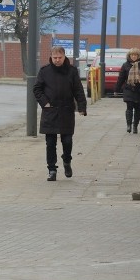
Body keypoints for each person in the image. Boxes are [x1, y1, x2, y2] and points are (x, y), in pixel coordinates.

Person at [33, 46, 87, 182]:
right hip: (50, 111)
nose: (57, 60)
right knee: (50, 143)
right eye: (55, 58)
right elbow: (37, 89)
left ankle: (67, 161)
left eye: (60, 57)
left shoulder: (72, 72)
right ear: (51, 57)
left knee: (67, 141)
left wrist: (82, 107)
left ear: (64, 57)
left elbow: (78, 90)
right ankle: (52, 169)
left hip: (66, 111)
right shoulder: (44, 71)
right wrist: (45, 103)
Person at [115, 47, 140, 134]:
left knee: (138, 109)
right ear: (129, 56)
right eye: (132, 55)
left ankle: (135, 126)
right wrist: (116, 89)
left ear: (138, 55)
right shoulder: (125, 65)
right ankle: (129, 125)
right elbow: (121, 78)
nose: (134, 56)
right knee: (129, 107)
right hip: (129, 89)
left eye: (135, 55)